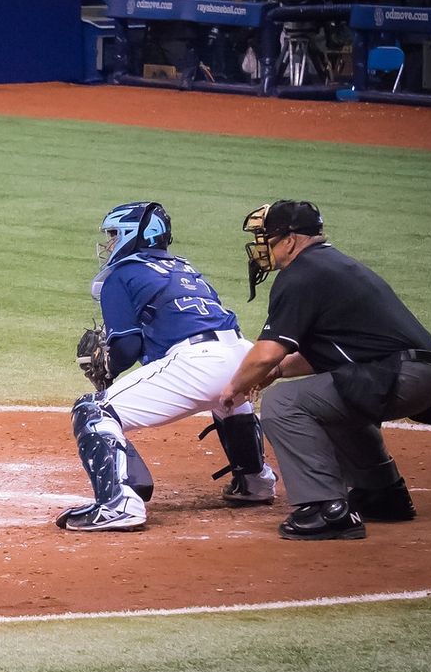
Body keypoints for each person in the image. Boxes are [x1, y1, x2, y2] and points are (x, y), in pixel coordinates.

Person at [221, 201, 431, 541]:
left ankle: (324, 508)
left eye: (267, 236)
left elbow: (264, 354)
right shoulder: (330, 265)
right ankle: (381, 494)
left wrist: (234, 387)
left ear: (291, 240)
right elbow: (339, 352)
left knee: (284, 404)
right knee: (331, 399)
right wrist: (280, 370)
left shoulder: (301, 275)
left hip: (395, 375)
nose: (262, 245)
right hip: (416, 374)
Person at [55, 202, 277, 532]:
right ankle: (255, 480)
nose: (109, 244)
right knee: (227, 400)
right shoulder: (183, 268)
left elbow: (127, 345)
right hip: (241, 354)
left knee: (93, 411)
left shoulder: (122, 274)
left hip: (199, 363)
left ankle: (118, 504)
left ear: (135, 235)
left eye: (114, 235)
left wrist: (110, 368)